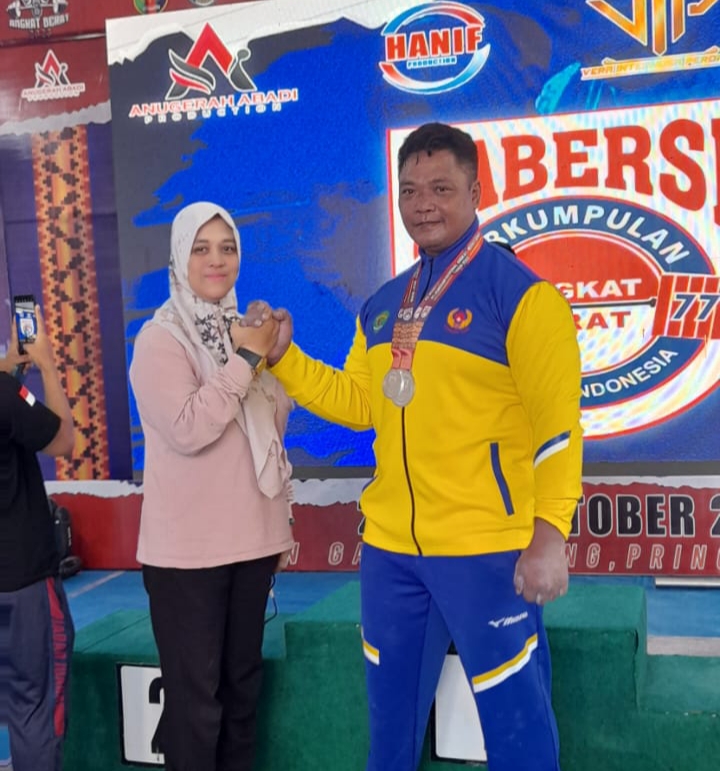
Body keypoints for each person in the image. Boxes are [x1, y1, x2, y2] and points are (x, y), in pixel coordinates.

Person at [246, 123, 583, 771]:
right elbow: (361, 403)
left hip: (487, 549)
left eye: (441, 188)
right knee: (390, 735)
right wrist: (286, 358)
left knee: (517, 731)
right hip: (391, 553)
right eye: (409, 190)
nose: (423, 203)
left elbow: (557, 429)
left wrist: (550, 533)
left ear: (476, 192)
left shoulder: (522, 296)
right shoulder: (382, 305)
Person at [129, 201, 294, 771]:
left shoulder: (242, 330)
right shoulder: (160, 339)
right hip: (187, 557)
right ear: (180, 257)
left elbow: (272, 430)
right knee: (196, 710)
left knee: (241, 697)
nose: (216, 260)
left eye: (227, 248)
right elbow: (189, 429)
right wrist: (247, 357)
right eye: (201, 248)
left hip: (250, 543)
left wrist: (274, 357)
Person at [0, 306, 76, 771]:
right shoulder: (6, 394)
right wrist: (46, 364)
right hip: (22, 585)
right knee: (34, 709)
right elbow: (63, 440)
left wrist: (11, 365)